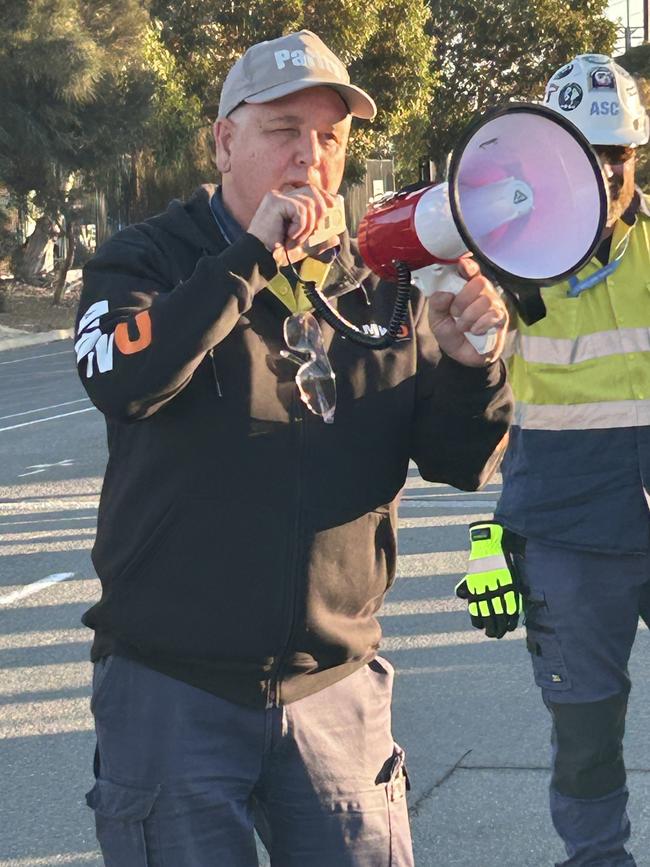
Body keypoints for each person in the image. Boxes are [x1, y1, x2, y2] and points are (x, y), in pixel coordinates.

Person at [75, 30, 511, 867]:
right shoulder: (148, 258)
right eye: (283, 129)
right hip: (174, 690)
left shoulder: (379, 284)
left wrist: (472, 367)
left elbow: (462, 459)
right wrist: (247, 260)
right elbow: (123, 377)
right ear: (224, 139)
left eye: (331, 137)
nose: (309, 155)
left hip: (336, 693)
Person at [463, 54, 649, 867]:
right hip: (569, 533)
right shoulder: (509, 257)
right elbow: (471, 347)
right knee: (586, 737)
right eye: (589, 153)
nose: (606, 173)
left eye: (620, 155)